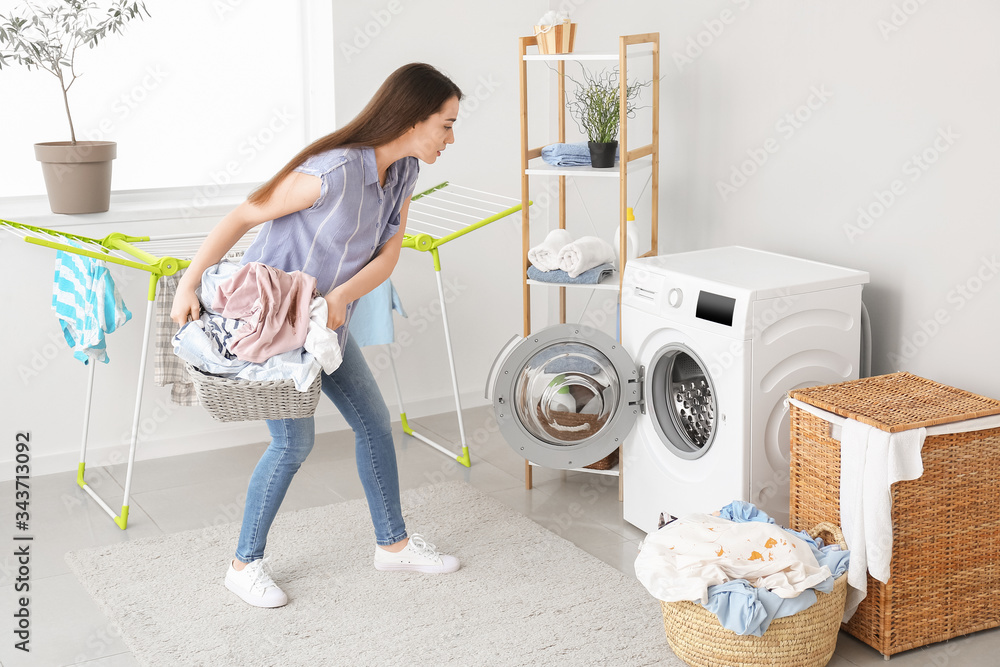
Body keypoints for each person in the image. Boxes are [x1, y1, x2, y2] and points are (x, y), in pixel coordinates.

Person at [170, 63, 463, 608]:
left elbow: (389, 253)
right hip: (275, 324)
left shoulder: (403, 173)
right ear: (412, 118)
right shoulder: (333, 172)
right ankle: (243, 564)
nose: (451, 137)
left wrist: (342, 299)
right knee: (292, 443)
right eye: (446, 124)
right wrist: (188, 284)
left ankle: (393, 545)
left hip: (323, 322)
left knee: (374, 424)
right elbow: (242, 215)